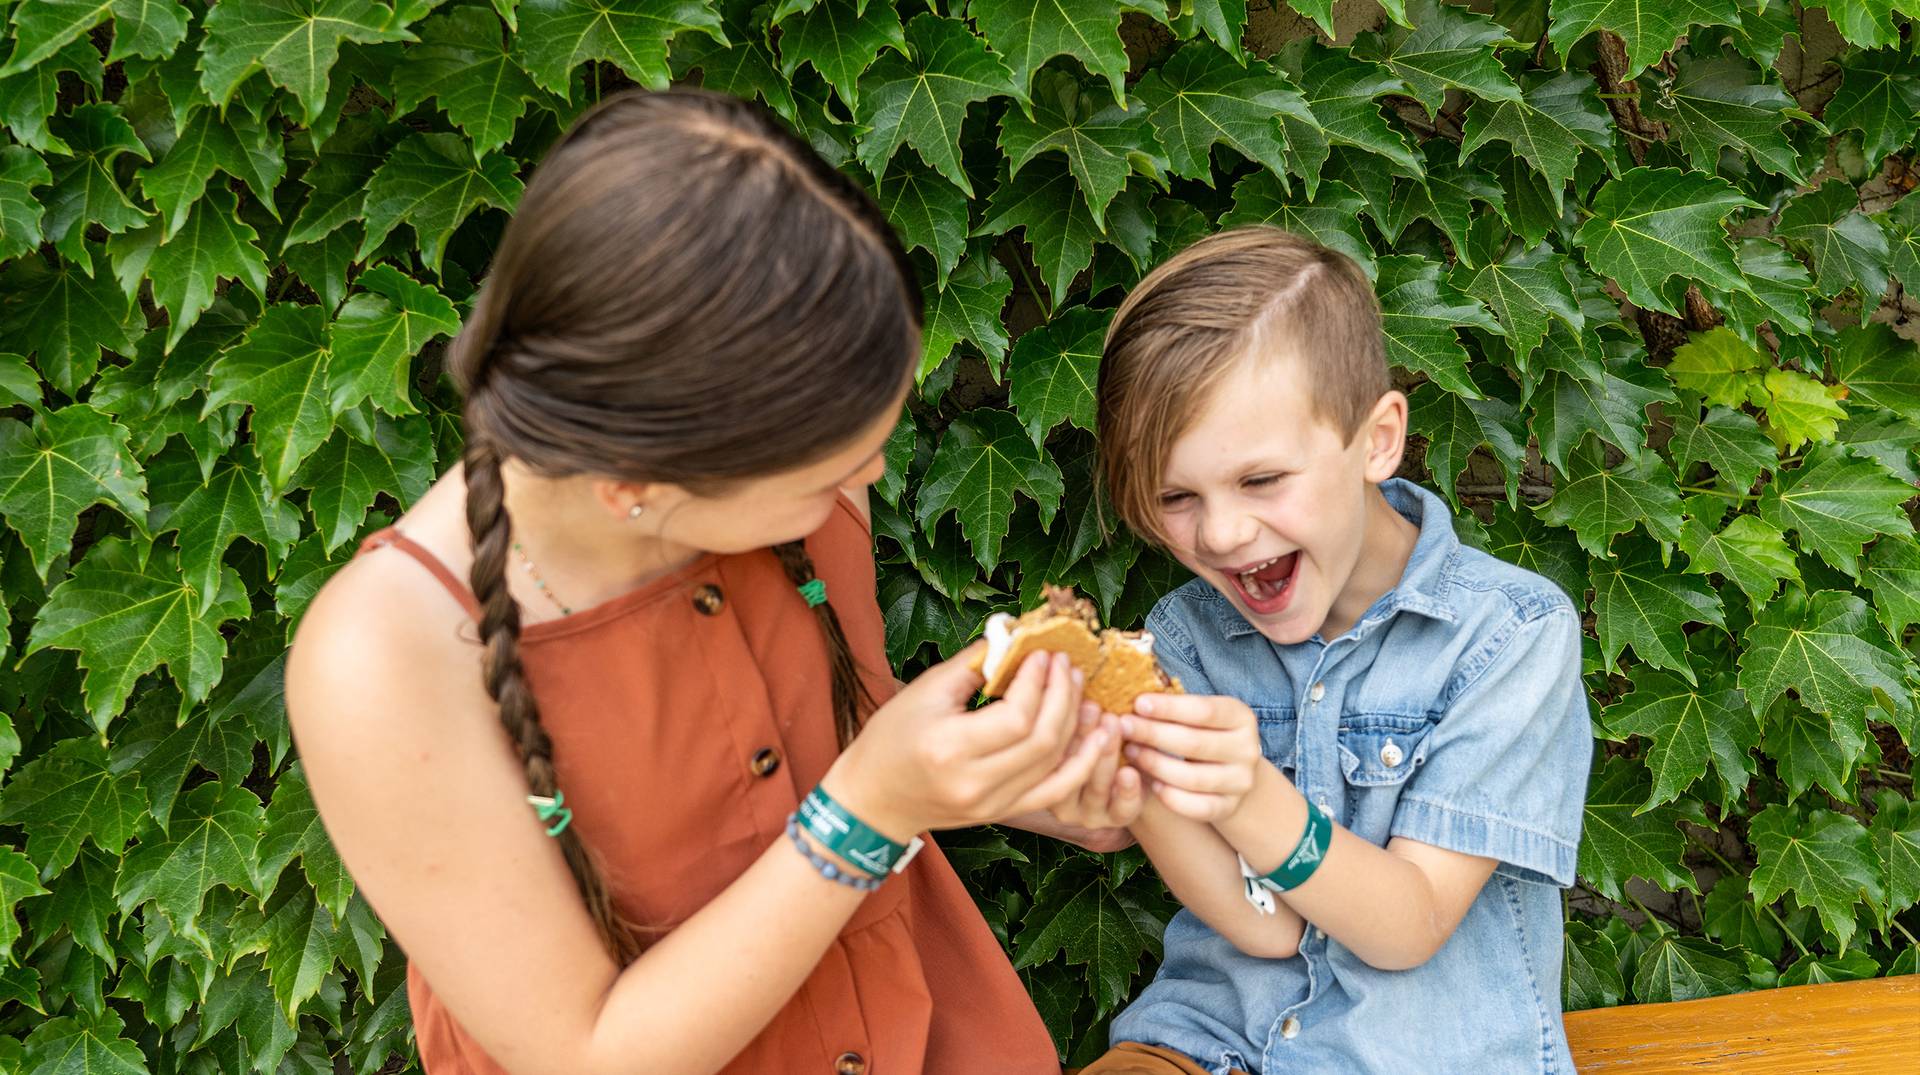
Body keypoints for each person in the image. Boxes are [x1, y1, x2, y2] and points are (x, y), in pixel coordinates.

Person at [286, 87, 1119, 1075]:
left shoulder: (792, 497)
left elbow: (850, 730)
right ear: (634, 486)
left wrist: (1022, 774)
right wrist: (866, 813)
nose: (871, 485)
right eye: (828, 474)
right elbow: (585, 1054)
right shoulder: (381, 660)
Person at [1056, 226, 1594, 1074]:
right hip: (1204, 1043)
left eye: (1261, 480)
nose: (1225, 532)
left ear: (1377, 439)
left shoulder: (1511, 635)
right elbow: (1262, 927)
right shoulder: (1185, 635)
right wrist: (1122, 779)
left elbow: (1408, 923)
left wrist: (1244, 795)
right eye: (1175, 495)